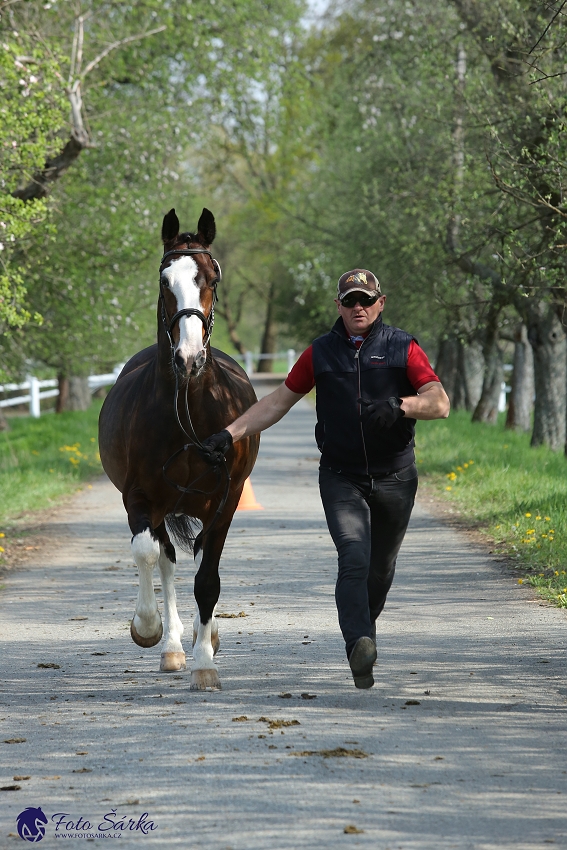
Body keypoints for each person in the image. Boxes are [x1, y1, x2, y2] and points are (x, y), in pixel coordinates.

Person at [199, 269, 450, 689]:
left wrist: (400, 405)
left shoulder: (402, 347)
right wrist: (230, 433)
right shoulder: (321, 353)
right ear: (338, 306)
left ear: (380, 303)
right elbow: (278, 401)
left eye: (366, 300)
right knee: (354, 555)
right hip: (341, 477)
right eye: (350, 300)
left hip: (396, 477)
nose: (358, 308)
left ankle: (364, 626)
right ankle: (359, 645)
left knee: (380, 570)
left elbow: (439, 402)